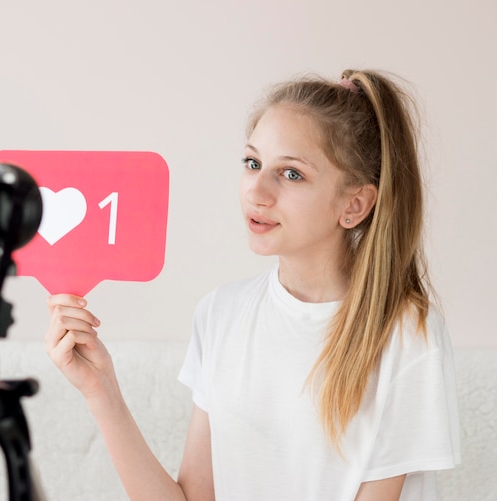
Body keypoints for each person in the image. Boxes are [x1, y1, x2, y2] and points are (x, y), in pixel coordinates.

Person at [45, 69, 461, 501]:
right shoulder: (220, 313)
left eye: (291, 174)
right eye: (253, 163)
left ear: (354, 204)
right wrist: (100, 389)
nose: (257, 191)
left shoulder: (407, 335)